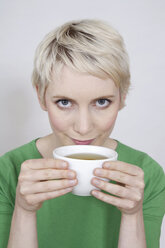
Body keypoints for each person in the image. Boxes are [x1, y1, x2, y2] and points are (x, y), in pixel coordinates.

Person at [0, 19, 164, 248]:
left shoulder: (146, 174)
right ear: (41, 96)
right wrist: (24, 211)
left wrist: (132, 215)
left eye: (102, 101)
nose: (84, 127)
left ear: (123, 96)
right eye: (65, 102)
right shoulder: (7, 171)